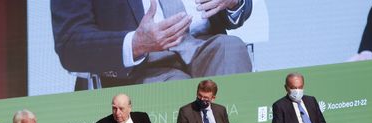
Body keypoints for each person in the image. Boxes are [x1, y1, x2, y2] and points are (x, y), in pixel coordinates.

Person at [51, 0, 253, 90]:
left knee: (232, 49)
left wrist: (234, 2)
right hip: (142, 66)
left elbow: (240, 7)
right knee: (176, 87)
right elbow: (70, 42)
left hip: (200, 45)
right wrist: (135, 44)